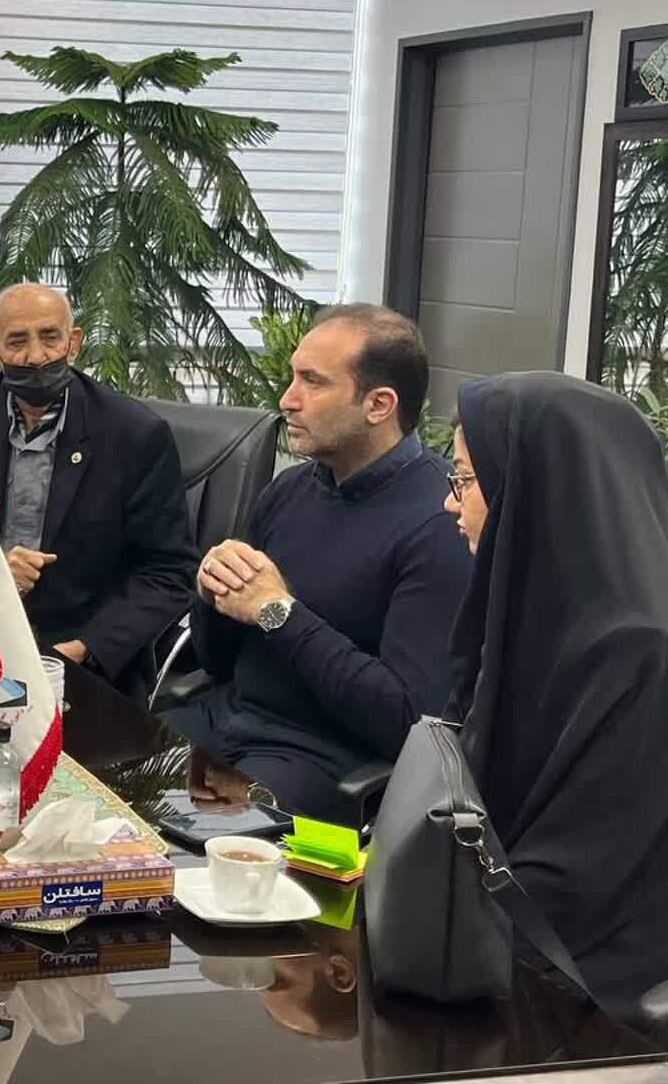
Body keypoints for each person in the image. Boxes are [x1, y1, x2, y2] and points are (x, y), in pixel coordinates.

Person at [171, 304, 470, 821]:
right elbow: (216, 661)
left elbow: (408, 725)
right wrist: (213, 592)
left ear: (378, 404)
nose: (287, 399)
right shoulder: (291, 490)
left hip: (319, 767)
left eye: (312, 382)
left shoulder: (442, 523)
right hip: (221, 728)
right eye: (293, 377)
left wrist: (279, 613)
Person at [443, 371, 668, 1027]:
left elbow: (581, 880)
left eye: (464, 480)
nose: (449, 504)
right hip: (494, 920)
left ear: (533, 491)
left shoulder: (637, 654)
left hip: (577, 987)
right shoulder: (534, 609)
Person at [0, 282, 197, 700]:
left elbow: (169, 571)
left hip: (80, 656)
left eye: (50, 337)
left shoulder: (134, 434)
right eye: (17, 342)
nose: (36, 356)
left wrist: (83, 649)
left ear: (74, 342)